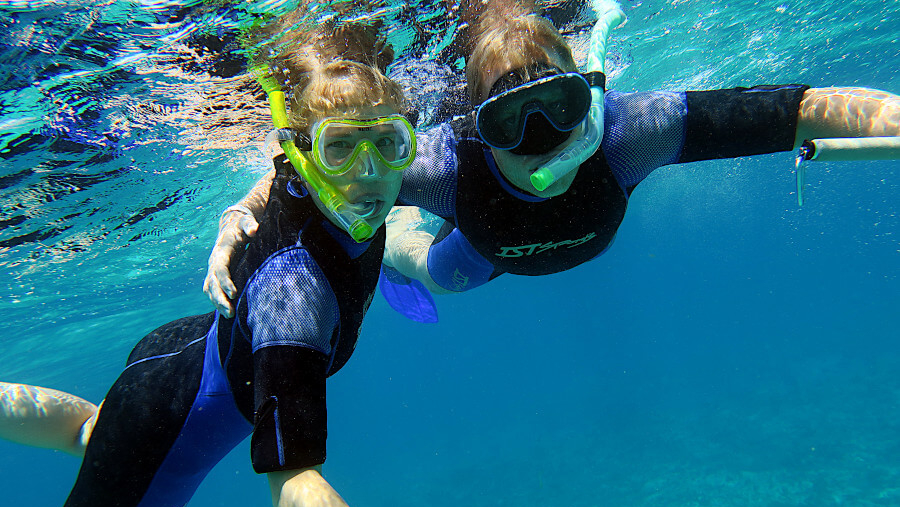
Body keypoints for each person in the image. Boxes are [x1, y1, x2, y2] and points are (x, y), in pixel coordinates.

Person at [205, 0, 900, 319]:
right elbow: (303, 171)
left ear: (588, 95)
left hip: (508, 239)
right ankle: (405, 245)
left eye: (558, 107)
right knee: (438, 275)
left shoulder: (631, 130)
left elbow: (802, 107)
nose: (542, 139)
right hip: (476, 254)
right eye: (510, 121)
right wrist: (238, 216)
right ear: (475, 125)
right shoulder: (444, 162)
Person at [0, 4, 416, 506]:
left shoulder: (341, 183)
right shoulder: (293, 293)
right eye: (340, 147)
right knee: (99, 438)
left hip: (182, 354)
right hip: (159, 418)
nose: (369, 171)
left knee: (89, 431)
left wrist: (234, 217)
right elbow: (294, 480)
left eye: (388, 142)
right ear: (304, 155)